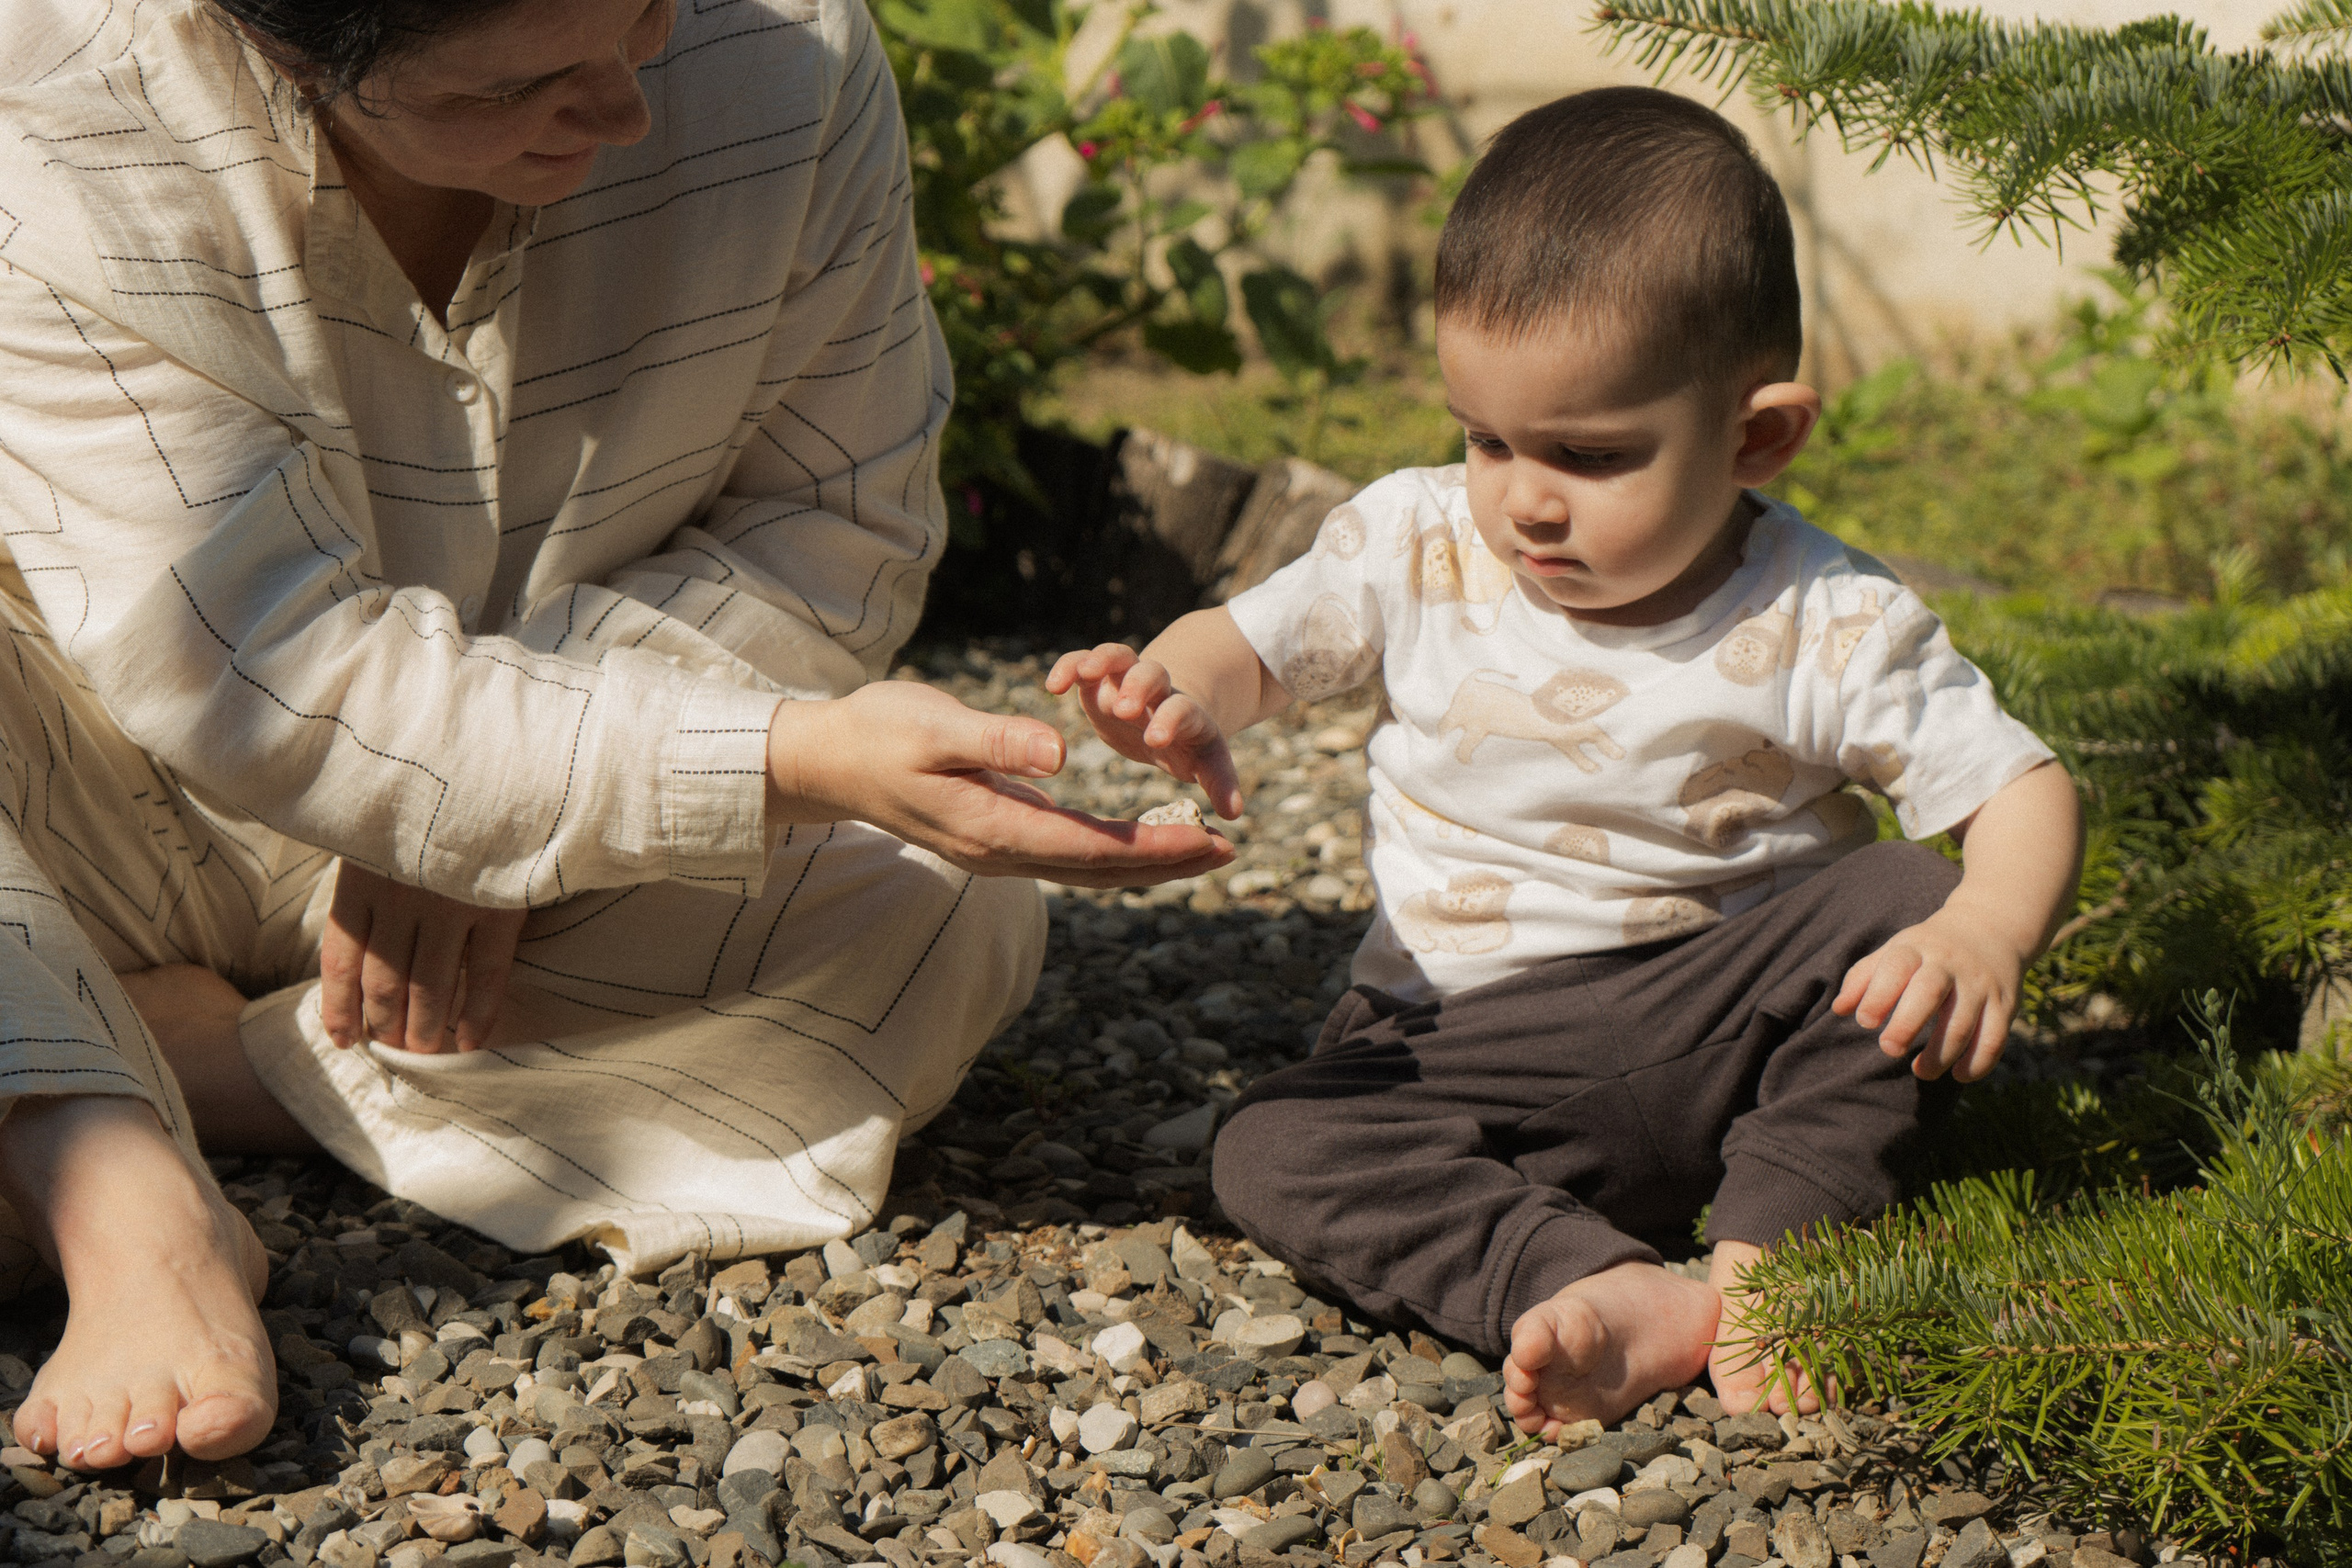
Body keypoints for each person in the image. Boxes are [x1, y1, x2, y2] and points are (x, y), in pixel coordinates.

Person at [0, 0, 1227, 1472]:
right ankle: (113, 1177)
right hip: (84, 808)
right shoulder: (54, 112)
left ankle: (206, 1066)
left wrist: (499, 822)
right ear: (273, 40)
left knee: (944, 908)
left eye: (645, 11)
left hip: (517, 884)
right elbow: (261, 657)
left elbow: (839, 525)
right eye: (524, 80)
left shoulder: (783, 40)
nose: (634, 104)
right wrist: (753, 763)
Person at [1047, 85, 2083, 1429]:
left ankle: (1783, 1253)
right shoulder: (1418, 542)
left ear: (1755, 435)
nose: (1524, 497)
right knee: (1272, 1146)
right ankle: (1593, 1280)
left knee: (1902, 901)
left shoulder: (1820, 615)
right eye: (1485, 437)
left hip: (1729, 1018)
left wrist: (1987, 932)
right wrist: (1173, 693)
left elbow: (2022, 785)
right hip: (1467, 1043)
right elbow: (1249, 643)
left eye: (1591, 456)